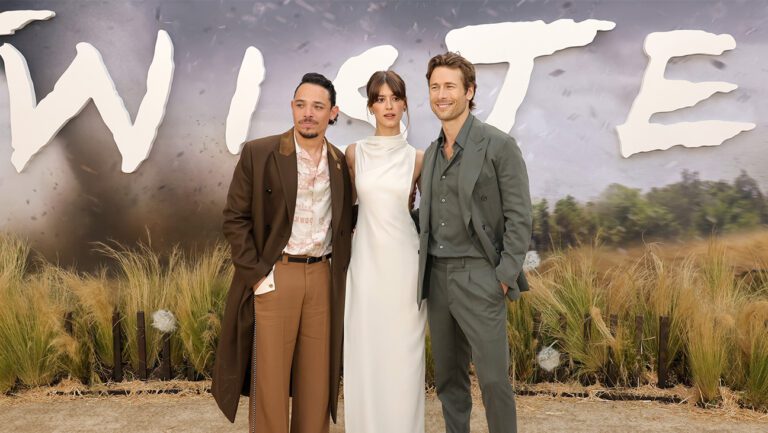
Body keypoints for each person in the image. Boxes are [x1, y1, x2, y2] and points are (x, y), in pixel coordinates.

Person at [211, 72, 353, 433]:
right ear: (292, 107)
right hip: (277, 275)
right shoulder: (261, 153)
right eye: (301, 104)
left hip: (322, 277)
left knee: (316, 384)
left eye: (318, 107)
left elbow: (348, 221)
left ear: (332, 113)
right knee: (270, 384)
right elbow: (235, 218)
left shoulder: (340, 164)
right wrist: (258, 277)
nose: (308, 113)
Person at [417, 52, 532, 433]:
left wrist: (503, 274)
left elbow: (520, 216)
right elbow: (426, 218)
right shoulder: (431, 153)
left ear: (469, 91)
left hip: (480, 276)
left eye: (450, 86)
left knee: (495, 381)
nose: (441, 94)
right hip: (437, 277)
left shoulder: (498, 145)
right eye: (435, 87)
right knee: (449, 382)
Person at [343, 70, 426, 433]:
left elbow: (433, 214)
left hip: (405, 266)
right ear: (371, 107)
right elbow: (344, 211)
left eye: (395, 98)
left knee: (404, 359)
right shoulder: (352, 153)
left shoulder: (419, 159)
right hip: (364, 266)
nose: (389, 106)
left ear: (405, 103)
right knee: (366, 354)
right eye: (380, 99)